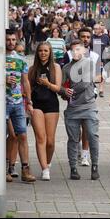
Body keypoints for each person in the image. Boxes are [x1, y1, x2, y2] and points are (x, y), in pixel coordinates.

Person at [60, 40, 100, 180]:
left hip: (89, 106)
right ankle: (73, 168)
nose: (75, 52)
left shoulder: (89, 63)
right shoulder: (66, 68)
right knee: (73, 139)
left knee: (92, 135)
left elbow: (85, 83)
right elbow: (61, 87)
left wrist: (70, 90)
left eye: (78, 49)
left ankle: (94, 165)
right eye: (72, 50)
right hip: (72, 108)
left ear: (84, 50)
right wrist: (64, 91)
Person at [5, 31, 36, 183]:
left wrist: (29, 102)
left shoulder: (21, 60)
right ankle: (5, 168)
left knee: (22, 135)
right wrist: (3, 79)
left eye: (13, 40)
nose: (10, 42)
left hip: (18, 103)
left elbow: (25, 81)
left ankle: (25, 169)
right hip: (1, 103)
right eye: (8, 40)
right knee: (10, 135)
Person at [28, 42, 62, 180]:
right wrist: (28, 103)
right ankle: (44, 168)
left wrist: (47, 83)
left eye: (46, 51)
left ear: (50, 52)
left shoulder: (55, 67)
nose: (43, 53)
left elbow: (58, 88)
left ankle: (47, 162)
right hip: (36, 104)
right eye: (40, 51)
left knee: (50, 141)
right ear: (37, 53)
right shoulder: (32, 69)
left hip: (51, 104)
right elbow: (27, 88)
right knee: (40, 138)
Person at [92, 23, 110, 98]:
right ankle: (93, 88)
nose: (95, 30)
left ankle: (101, 90)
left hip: (103, 59)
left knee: (102, 74)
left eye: (97, 29)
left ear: (100, 30)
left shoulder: (105, 37)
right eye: (94, 29)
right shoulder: (92, 37)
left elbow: (108, 47)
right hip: (93, 58)